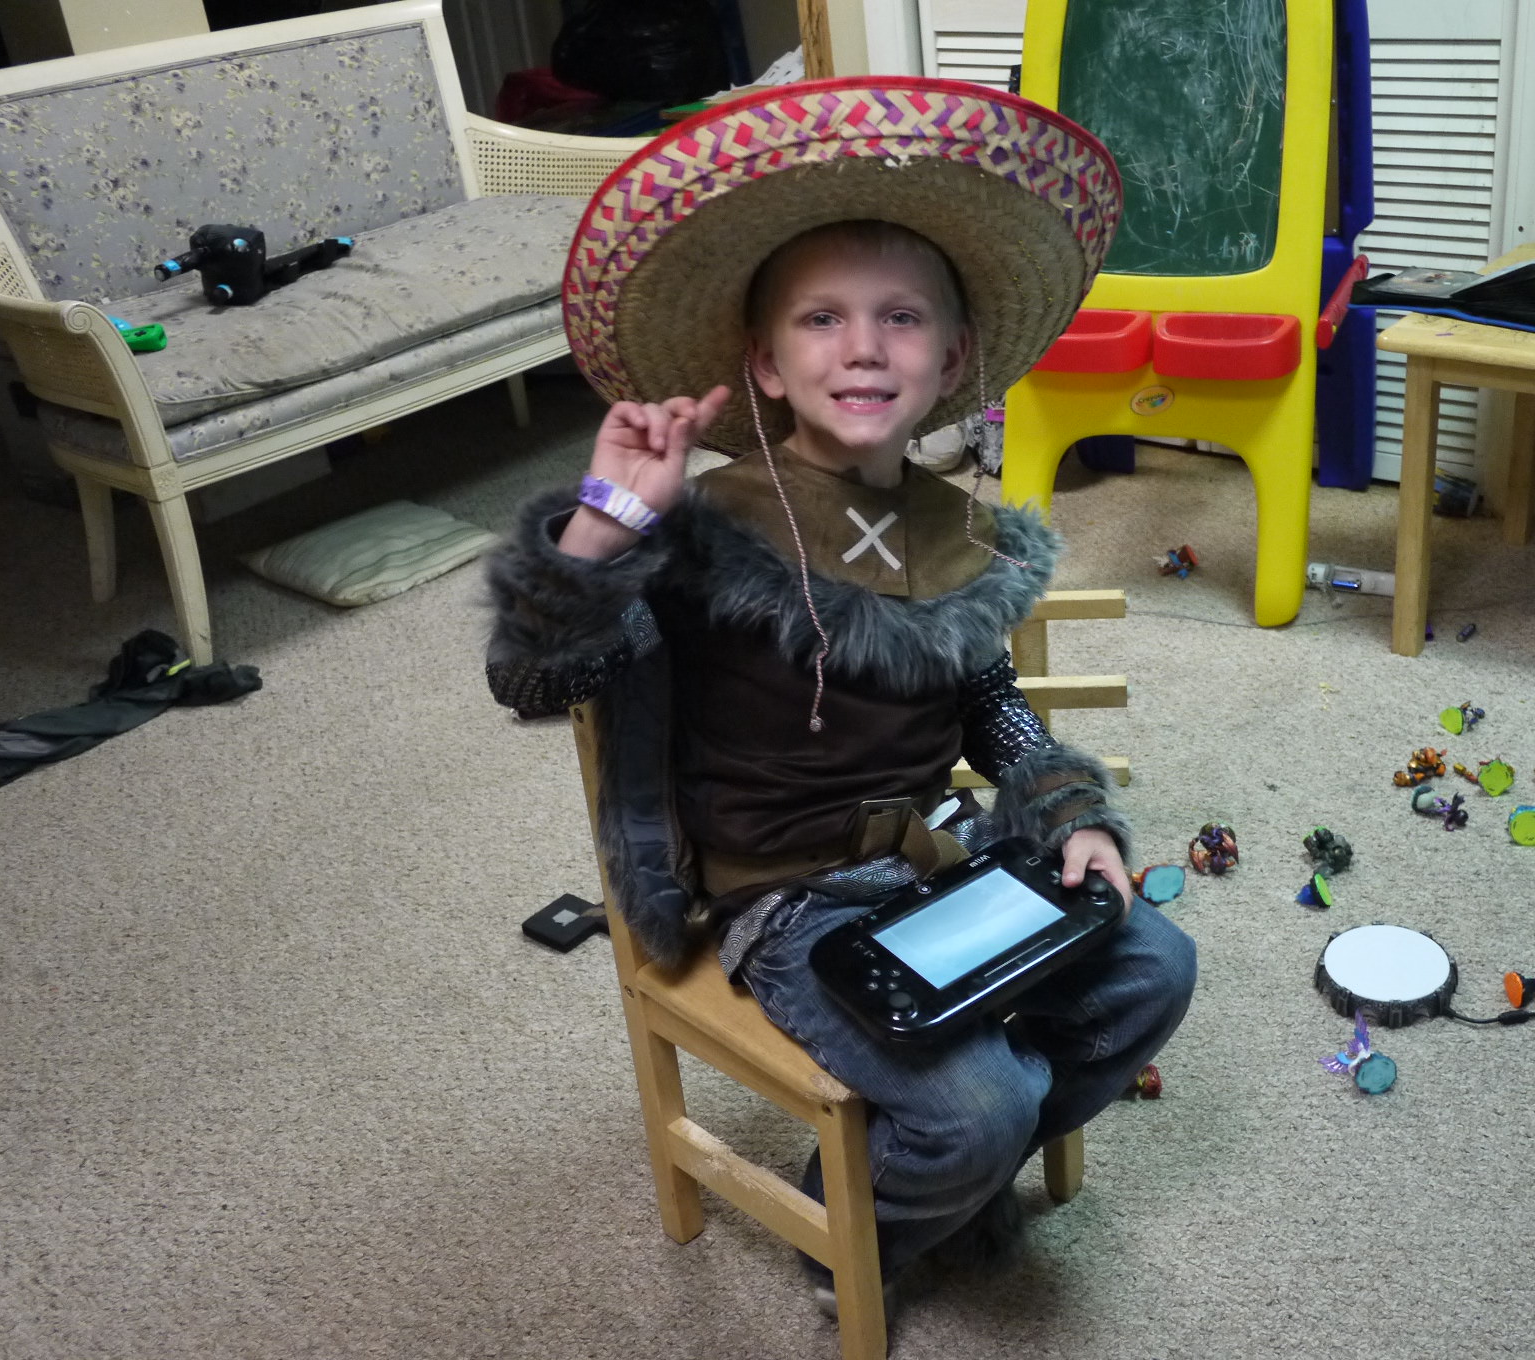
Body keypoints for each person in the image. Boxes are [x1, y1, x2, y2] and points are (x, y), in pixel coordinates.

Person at [483, 77, 1196, 1316]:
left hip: (943, 864)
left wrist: (1069, 809)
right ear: (765, 362)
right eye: (820, 319)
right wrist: (604, 526)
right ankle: (861, 1218)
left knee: (1153, 969)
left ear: (952, 357)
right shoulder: (702, 529)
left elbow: (991, 702)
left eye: (900, 318)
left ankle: (947, 1155)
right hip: (784, 901)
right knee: (981, 1105)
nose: (862, 346)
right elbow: (534, 678)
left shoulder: (960, 535)